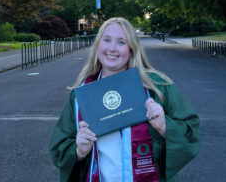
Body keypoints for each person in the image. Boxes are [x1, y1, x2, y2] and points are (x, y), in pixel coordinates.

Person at [50, 17, 200, 182]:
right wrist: (79, 151)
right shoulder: (82, 94)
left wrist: (165, 126)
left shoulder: (156, 86)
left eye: (121, 42)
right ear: (98, 45)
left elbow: (191, 130)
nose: (112, 48)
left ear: (131, 49)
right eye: (106, 40)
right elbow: (60, 147)